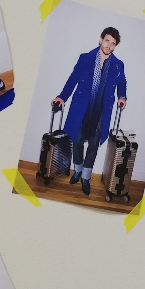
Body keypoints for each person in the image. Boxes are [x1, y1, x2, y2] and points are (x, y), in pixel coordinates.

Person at [52, 27, 127, 196]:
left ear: (115, 46)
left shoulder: (118, 65)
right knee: (77, 141)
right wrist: (62, 96)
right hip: (82, 107)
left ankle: (85, 177)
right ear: (101, 40)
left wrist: (122, 96)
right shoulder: (85, 58)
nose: (108, 46)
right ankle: (78, 170)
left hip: (101, 111)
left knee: (93, 144)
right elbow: (73, 79)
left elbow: (122, 82)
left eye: (113, 43)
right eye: (107, 41)